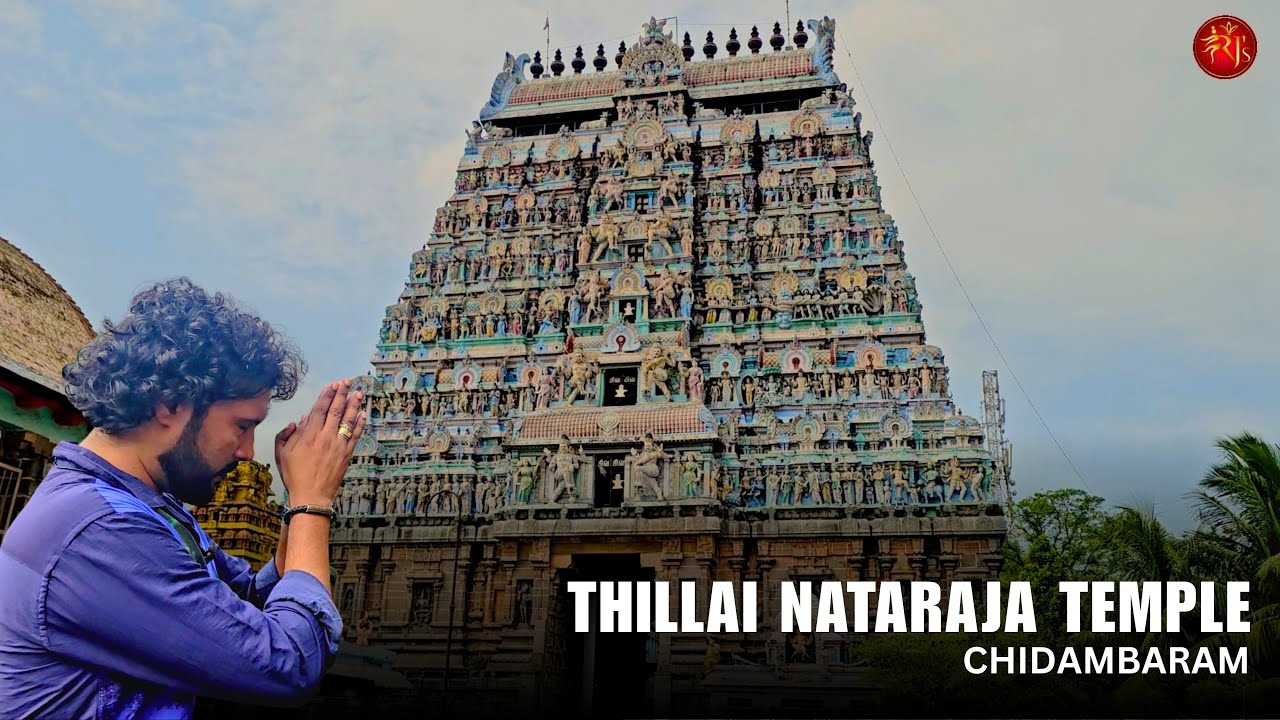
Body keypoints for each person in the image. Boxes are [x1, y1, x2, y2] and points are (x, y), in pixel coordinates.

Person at [0, 278, 366, 719]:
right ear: (169, 405)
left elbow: (247, 602)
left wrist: (293, 505)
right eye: (242, 425)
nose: (248, 451)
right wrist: (312, 501)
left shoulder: (151, 509)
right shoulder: (99, 530)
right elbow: (288, 662)